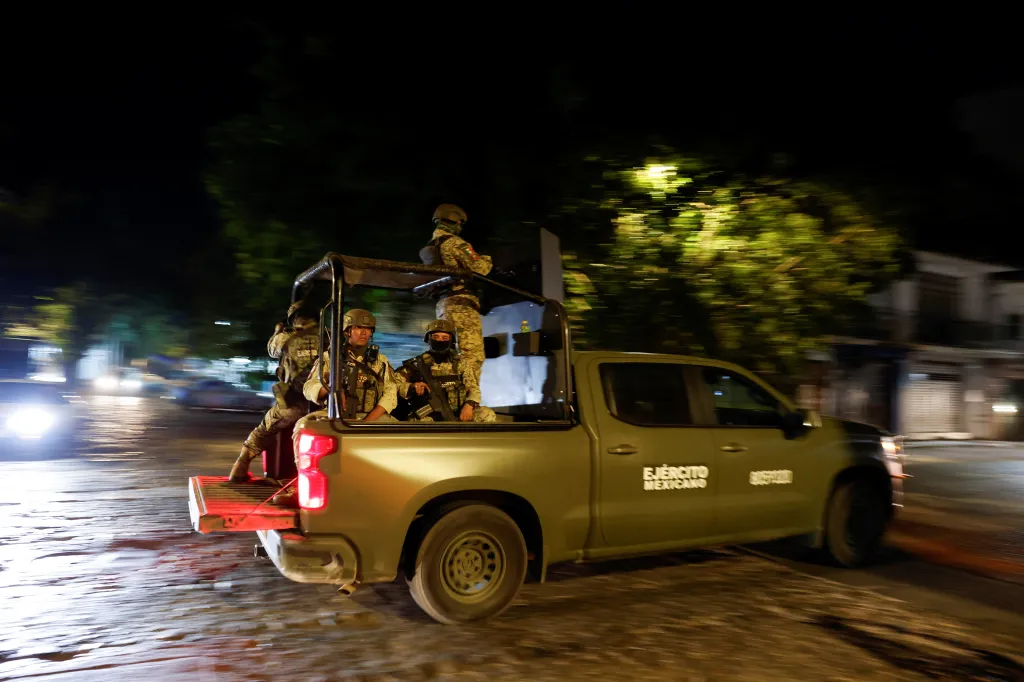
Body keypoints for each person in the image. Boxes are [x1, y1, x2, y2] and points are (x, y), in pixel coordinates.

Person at [229, 300, 319, 482]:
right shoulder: (329, 336)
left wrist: (278, 331)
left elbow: (272, 350)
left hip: (294, 402)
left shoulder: (285, 337)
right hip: (322, 403)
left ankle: (241, 465)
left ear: (294, 319)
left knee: (264, 430)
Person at [420, 203, 493, 389]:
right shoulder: (455, 243)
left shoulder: (431, 246)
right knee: (471, 356)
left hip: (445, 305)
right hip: (462, 306)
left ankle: (453, 397)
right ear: (454, 221)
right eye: (460, 222)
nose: (460, 226)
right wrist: (487, 259)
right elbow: (481, 268)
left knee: (451, 356)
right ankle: (470, 402)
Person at [302, 308, 399, 421]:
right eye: (358, 327)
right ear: (347, 331)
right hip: (335, 415)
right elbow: (308, 388)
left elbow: (390, 394)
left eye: (368, 328)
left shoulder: (380, 361)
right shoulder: (330, 357)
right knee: (303, 425)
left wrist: (367, 422)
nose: (364, 332)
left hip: (372, 417)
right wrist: (331, 389)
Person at [395, 319, 496, 423]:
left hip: (459, 413)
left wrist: (469, 405)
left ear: (450, 340)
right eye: (435, 337)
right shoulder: (417, 365)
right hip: (430, 415)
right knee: (419, 422)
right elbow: (394, 385)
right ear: (428, 339)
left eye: (445, 338)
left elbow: (474, 389)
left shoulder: (460, 364)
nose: (439, 341)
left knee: (487, 415)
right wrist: (411, 386)